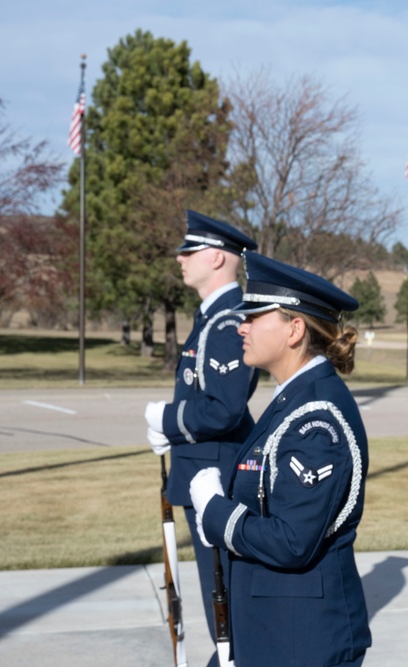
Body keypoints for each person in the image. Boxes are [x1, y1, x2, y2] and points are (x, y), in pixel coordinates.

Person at [189, 251, 371, 667]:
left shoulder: (316, 418)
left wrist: (214, 512)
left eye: (254, 316)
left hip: (299, 639)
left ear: (294, 329)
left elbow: (292, 541)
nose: (241, 325)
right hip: (271, 630)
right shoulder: (293, 400)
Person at [144, 210, 259, 667]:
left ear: (216, 258)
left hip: (216, 473)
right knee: (219, 597)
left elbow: (225, 408)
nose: (180, 258)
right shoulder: (211, 318)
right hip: (201, 469)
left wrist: (168, 419)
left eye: (189, 251)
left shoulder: (228, 322)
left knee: (224, 597)